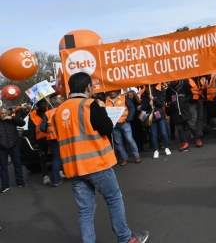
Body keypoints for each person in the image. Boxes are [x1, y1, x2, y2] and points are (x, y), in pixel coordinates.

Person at [51, 72, 149, 243]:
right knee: (113, 199)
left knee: (85, 210)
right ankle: (126, 238)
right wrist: (103, 109)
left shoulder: (58, 111)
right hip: (96, 164)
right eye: (92, 86)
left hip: (73, 168)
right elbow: (107, 128)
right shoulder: (89, 105)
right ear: (88, 87)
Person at [29, 101, 61, 186]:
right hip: (41, 139)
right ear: (38, 106)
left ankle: (59, 171)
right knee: (43, 158)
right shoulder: (32, 115)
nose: (43, 106)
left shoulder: (49, 111)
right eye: (41, 105)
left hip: (50, 137)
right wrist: (33, 142)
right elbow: (31, 129)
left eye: (44, 104)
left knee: (56, 156)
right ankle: (45, 175)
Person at [106, 90, 141, 165]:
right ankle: (124, 158)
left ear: (117, 91)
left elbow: (132, 108)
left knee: (130, 140)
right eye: (110, 91)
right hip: (114, 125)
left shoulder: (124, 97)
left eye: (113, 91)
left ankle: (137, 156)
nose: (111, 92)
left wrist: (128, 119)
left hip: (124, 123)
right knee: (119, 143)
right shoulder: (106, 100)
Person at [0, 107, 26, 193]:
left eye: (5, 113)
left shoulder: (12, 120)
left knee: (17, 164)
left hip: (14, 144)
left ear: (8, 113)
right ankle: (5, 185)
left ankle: (20, 181)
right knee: (3, 167)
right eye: (2, 114)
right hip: (2, 147)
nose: (4, 115)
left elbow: (22, 123)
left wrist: (12, 118)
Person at [141, 83, 170, 159]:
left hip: (159, 115)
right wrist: (148, 104)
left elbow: (161, 103)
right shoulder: (143, 95)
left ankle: (166, 148)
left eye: (148, 86)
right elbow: (143, 107)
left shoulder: (159, 92)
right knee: (153, 135)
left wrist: (154, 99)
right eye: (146, 86)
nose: (147, 88)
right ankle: (156, 150)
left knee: (163, 132)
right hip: (151, 117)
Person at [165, 80, 194, 151]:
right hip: (175, 111)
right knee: (180, 128)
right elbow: (166, 100)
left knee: (191, 125)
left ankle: (197, 139)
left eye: (174, 80)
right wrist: (170, 103)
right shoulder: (169, 89)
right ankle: (184, 142)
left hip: (184, 110)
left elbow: (190, 95)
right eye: (172, 80)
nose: (173, 81)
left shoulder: (184, 84)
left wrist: (184, 100)